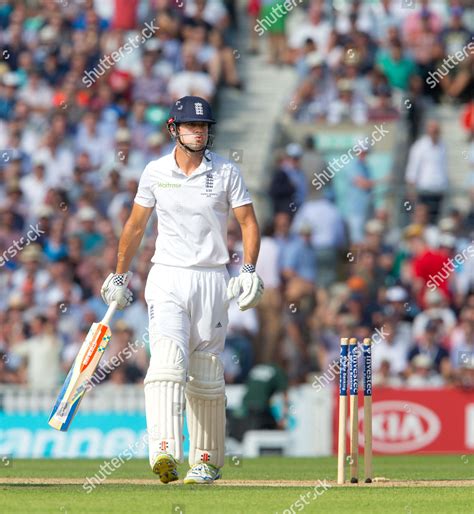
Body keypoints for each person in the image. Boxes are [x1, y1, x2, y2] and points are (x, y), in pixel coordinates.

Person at [100, 96, 264, 484]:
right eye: (191, 126)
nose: (199, 132)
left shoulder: (225, 172)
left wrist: (250, 270)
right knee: (168, 361)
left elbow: (249, 224)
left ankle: (205, 461)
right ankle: (164, 452)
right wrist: (120, 276)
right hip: (168, 276)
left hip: (213, 278)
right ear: (174, 129)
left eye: (204, 126)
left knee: (206, 374)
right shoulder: (156, 171)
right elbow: (136, 226)